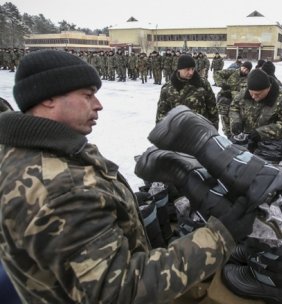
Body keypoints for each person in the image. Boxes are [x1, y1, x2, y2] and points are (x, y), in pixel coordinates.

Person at [0, 49, 255, 303]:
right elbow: (119, 291)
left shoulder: (26, 151)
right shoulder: (62, 188)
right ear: (48, 98)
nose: (98, 104)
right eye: (88, 95)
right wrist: (220, 236)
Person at [229, 69, 282, 162]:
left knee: (266, 173)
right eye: (251, 93)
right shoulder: (246, 91)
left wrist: (261, 132)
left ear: (268, 88)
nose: (253, 97)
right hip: (249, 142)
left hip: (272, 146)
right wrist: (236, 121)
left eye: (257, 94)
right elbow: (234, 107)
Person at [156, 54, 219, 128]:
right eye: (187, 69)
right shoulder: (167, 88)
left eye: (192, 69)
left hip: (201, 131)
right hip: (178, 133)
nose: (191, 72)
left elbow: (212, 109)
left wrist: (213, 130)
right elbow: (161, 115)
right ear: (179, 69)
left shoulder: (203, 84)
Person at [214, 61, 253, 137]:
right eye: (244, 68)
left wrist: (232, 93)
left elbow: (245, 93)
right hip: (225, 101)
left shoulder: (249, 79)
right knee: (225, 121)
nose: (245, 70)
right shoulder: (232, 72)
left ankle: (234, 137)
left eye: (247, 70)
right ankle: (228, 136)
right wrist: (223, 84)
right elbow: (217, 74)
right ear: (241, 66)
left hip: (238, 105)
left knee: (235, 122)